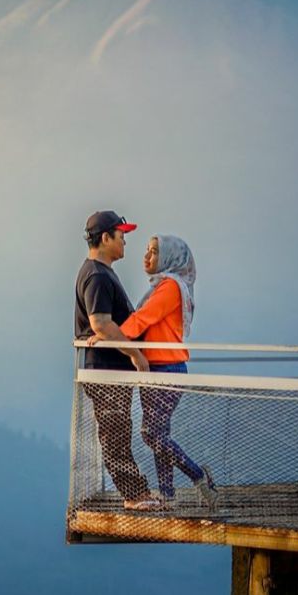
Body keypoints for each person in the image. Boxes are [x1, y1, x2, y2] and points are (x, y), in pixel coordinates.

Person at [119, 234, 218, 509]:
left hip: (166, 368)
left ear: (169, 259)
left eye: (153, 252)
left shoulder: (170, 287)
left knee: (151, 434)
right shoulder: (165, 285)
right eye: (147, 251)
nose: (146, 256)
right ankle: (167, 494)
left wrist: (109, 337)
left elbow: (143, 319)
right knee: (159, 433)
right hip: (157, 367)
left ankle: (198, 477)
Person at [74, 210, 160, 511]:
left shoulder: (102, 272)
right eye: (120, 234)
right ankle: (134, 496)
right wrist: (135, 355)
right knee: (115, 433)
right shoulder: (97, 275)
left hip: (109, 370)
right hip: (106, 371)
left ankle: (138, 491)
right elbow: (100, 323)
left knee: (119, 430)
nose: (125, 239)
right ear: (105, 238)